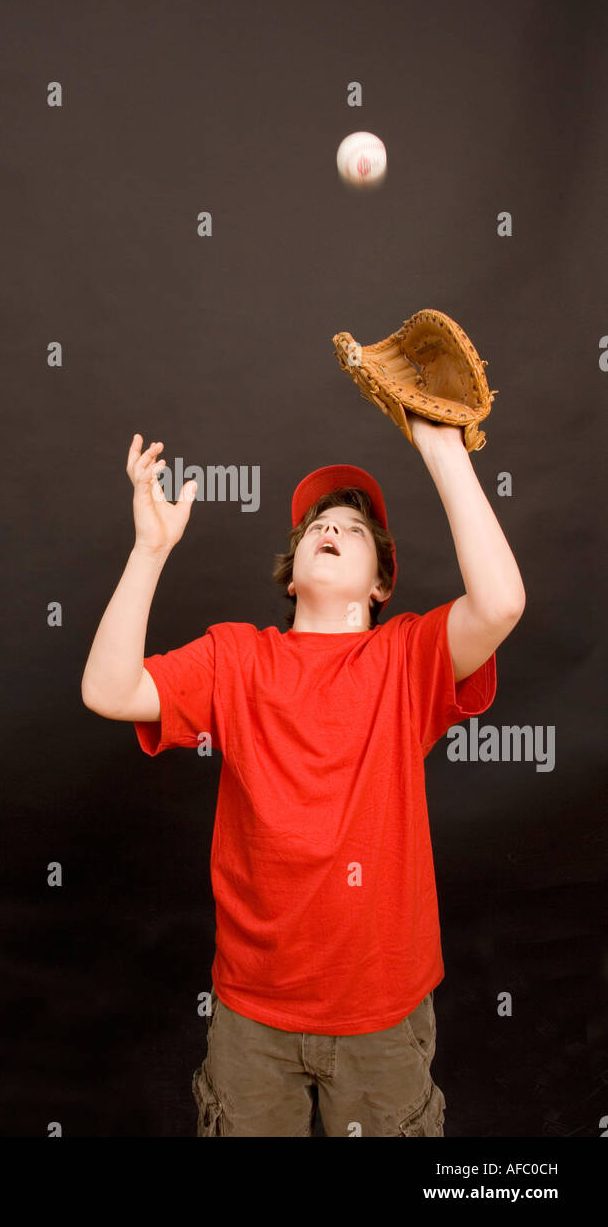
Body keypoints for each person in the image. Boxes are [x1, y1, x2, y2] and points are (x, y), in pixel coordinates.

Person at [81, 423, 526, 1136]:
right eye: (320, 525)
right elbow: (108, 690)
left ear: (381, 582)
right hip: (253, 1014)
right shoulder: (237, 657)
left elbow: (500, 604)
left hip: (379, 1012)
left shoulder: (405, 658)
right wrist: (149, 550)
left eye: (353, 529)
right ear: (291, 575)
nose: (331, 529)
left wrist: (443, 451)